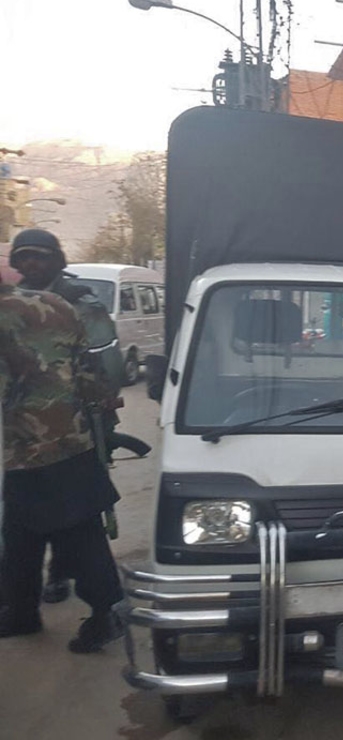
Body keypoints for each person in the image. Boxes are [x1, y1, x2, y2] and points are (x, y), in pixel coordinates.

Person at [9, 229, 141, 604]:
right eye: (24, 257)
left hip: (78, 423)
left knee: (75, 511)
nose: (31, 264)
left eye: (39, 256)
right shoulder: (13, 303)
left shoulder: (80, 302)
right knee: (25, 512)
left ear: (57, 260)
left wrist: (94, 405)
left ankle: (63, 574)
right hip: (23, 430)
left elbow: (106, 364)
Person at [0, 273, 125, 653]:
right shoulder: (56, 304)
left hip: (29, 445)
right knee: (24, 532)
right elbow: (89, 370)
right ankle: (21, 612)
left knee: (75, 535)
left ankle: (107, 613)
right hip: (73, 437)